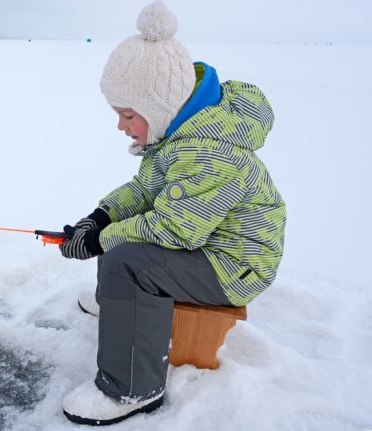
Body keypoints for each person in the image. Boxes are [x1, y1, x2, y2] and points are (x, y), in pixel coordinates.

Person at [58, 0, 286, 426]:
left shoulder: (207, 152)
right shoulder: (180, 136)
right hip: (209, 246)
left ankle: (131, 389)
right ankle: (118, 305)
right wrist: (101, 217)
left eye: (128, 114)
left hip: (235, 265)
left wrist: (104, 239)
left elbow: (175, 229)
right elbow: (146, 190)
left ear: (160, 108)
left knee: (129, 256)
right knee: (124, 235)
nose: (121, 126)